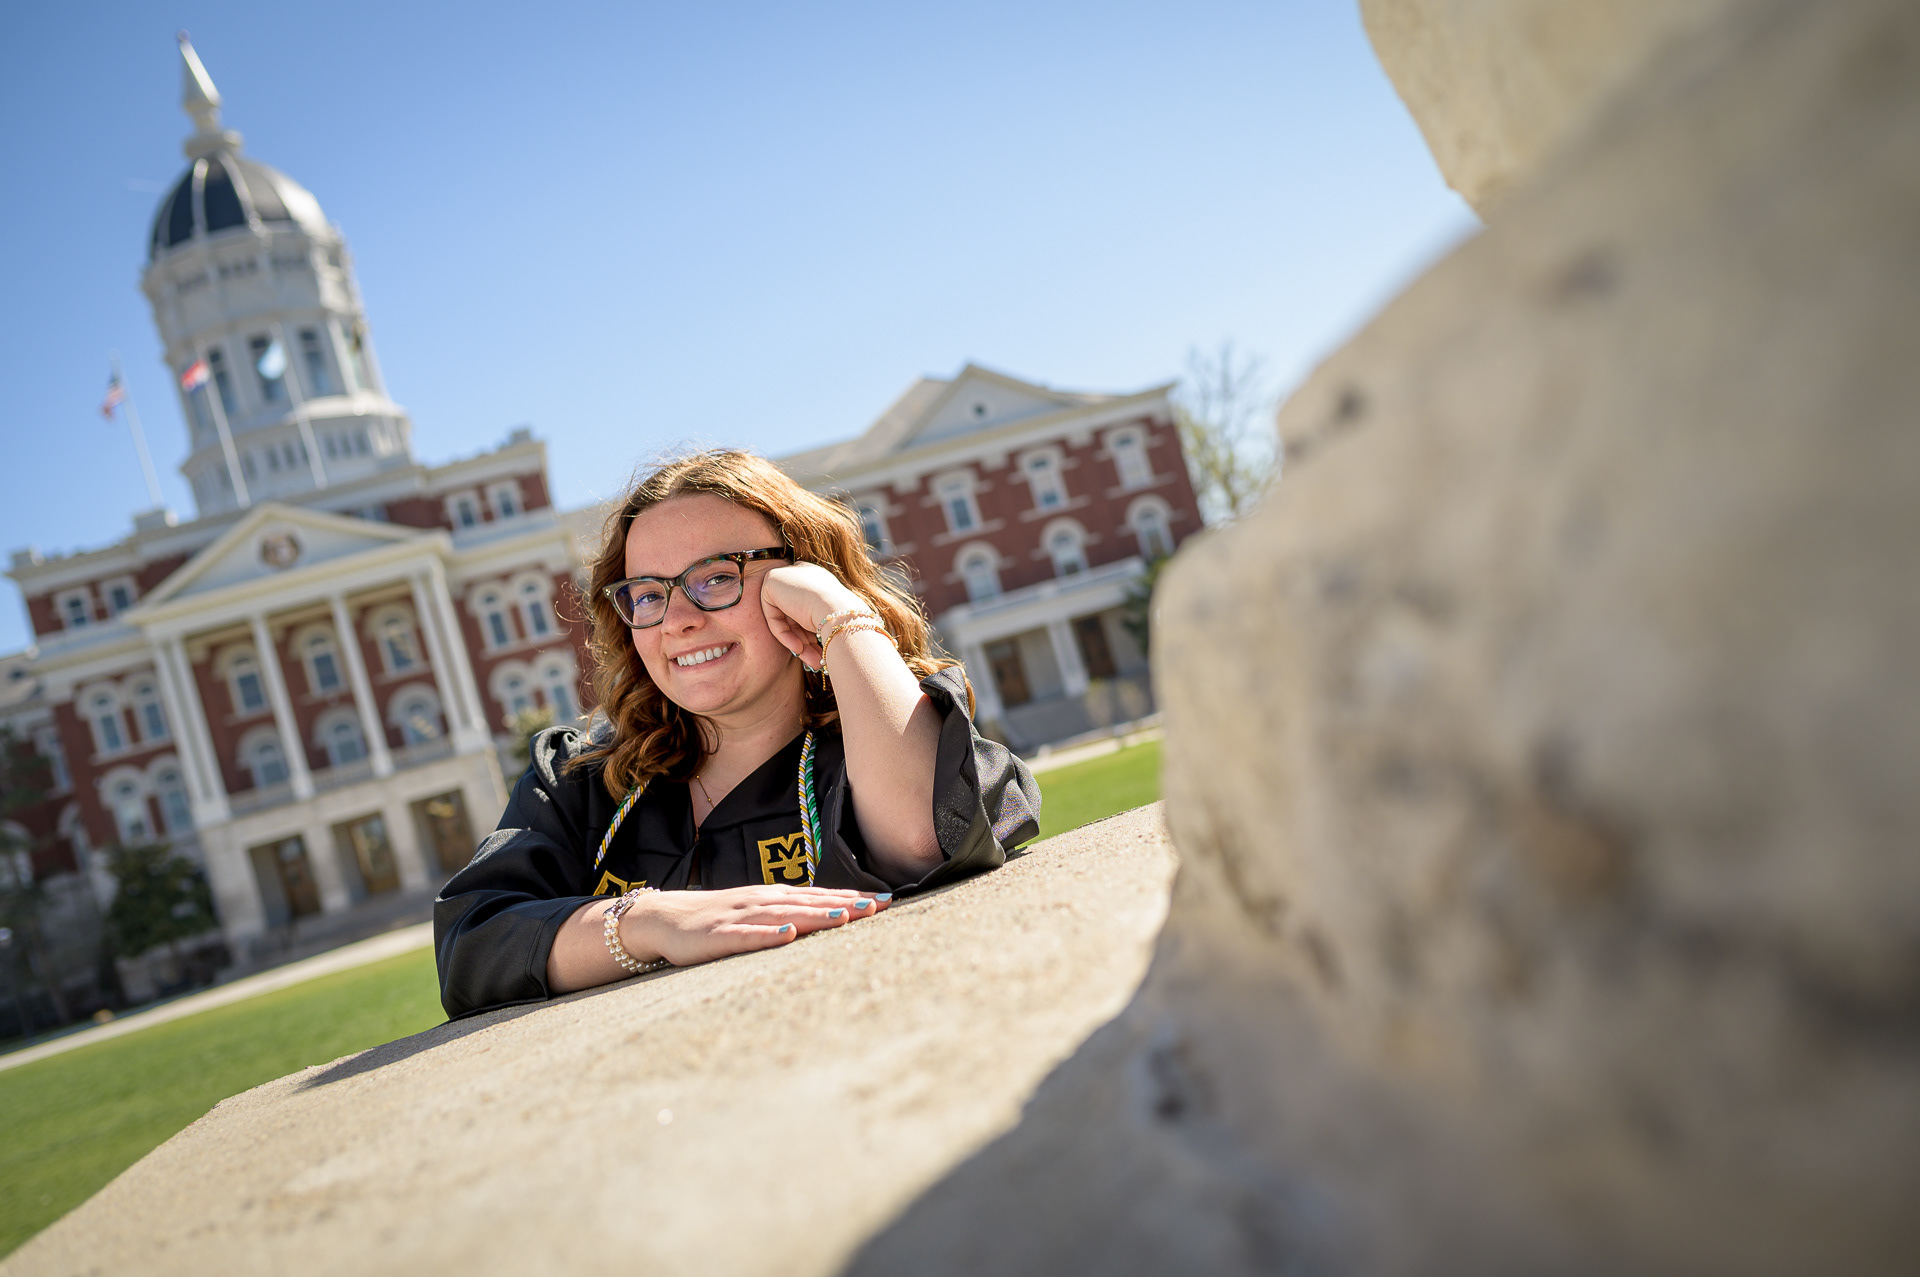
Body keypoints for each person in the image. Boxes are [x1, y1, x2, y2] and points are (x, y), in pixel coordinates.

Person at [435, 449, 1040, 1018]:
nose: (678, 620)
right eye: (647, 594)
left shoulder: (883, 739)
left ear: (799, 577)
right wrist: (644, 923)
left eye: (717, 577)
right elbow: (473, 944)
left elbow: (921, 839)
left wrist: (846, 620)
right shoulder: (581, 781)